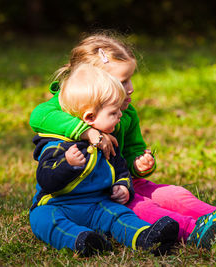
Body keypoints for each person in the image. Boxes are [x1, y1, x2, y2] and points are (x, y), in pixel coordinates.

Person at [29, 32, 216, 249]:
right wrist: (88, 132)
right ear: (94, 84)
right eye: (123, 81)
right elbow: (38, 115)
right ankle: (195, 230)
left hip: (125, 180)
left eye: (131, 78)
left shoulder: (127, 114)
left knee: (173, 193)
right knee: (145, 208)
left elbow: (130, 153)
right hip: (100, 192)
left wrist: (140, 162)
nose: (131, 88)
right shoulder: (64, 108)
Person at [29, 64, 180, 256]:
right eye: (113, 112)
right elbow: (46, 180)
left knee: (120, 215)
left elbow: (121, 170)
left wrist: (123, 187)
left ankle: (145, 237)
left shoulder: (110, 143)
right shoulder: (57, 146)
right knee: (44, 220)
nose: (120, 116)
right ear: (90, 117)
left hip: (98, 204)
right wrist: (68, 164)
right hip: (59, 205)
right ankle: (81, 240)